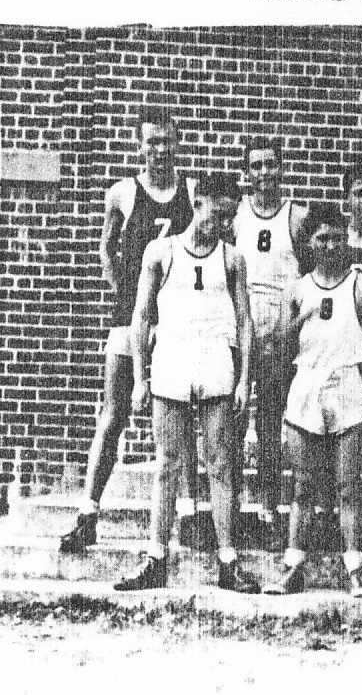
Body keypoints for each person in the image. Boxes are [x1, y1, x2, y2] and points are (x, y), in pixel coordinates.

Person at [113, 173, 259, 593]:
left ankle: (228, 561)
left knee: (220, 464)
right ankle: (156, 558)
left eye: (231, 216)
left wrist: (245, 378)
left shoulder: (232, 259)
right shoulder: (160, 251)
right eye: (218, 213)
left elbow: (245, 321)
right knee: (168, 466)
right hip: (173, 361)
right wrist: (140, 377)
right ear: (199, 204)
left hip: (215, 362)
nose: (224, 223)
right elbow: (140, 317)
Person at [59, 106, 196, 553]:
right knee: (113, 414)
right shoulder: (122, 192)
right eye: (152, 141)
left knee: (183, 416)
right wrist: (126, 294)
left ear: (177, 143)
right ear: (140, 145)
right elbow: (105, 248)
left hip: (177, 321)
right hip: (129, 319)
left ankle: (191, 516)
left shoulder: (191, 192)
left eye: (167, 141)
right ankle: (88, 513)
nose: (160, 149)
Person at [263, 204, 362, 597]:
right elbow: (280, 345)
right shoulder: (297, 290)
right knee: (303, 486)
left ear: (346, 239)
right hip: (307, 386)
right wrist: (301, 318)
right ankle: (293, 566)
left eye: (337, 237)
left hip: (348, 385)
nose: (331, 246)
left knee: (349, 487)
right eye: (322, 238)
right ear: (309, 243)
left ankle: (355, 570)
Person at [232, 137, 307, 547]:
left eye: (271, 165)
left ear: (281, 169)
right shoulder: (238, 216)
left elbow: (310, 282)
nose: (264, 173)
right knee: (234, 421)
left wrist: (289, 331)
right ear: (247, 173)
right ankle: (231, 508)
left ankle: (268, 507)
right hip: (243, 334)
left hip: (280, 337)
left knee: (271, 424)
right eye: (256, 166)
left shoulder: (296, 217)